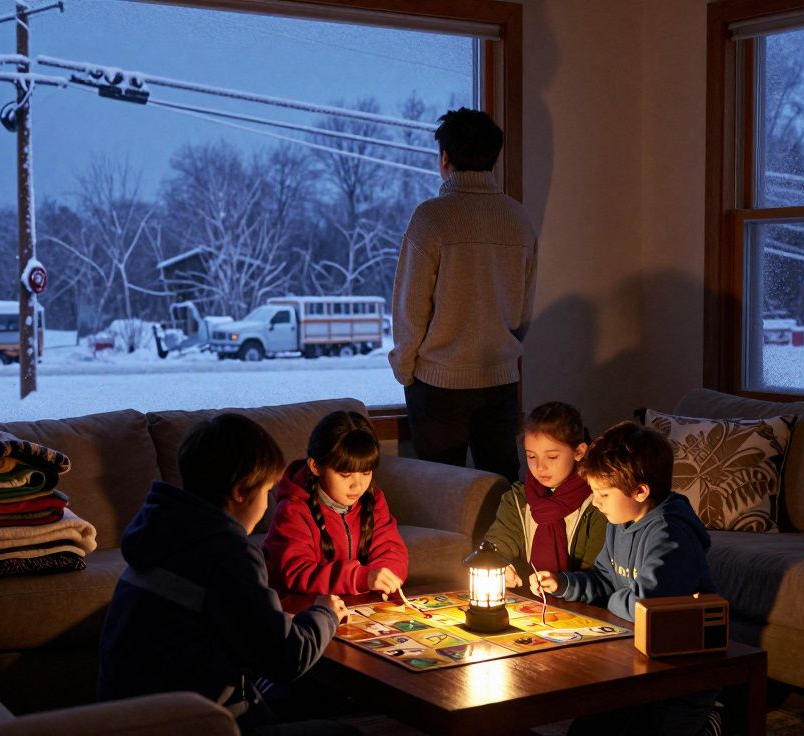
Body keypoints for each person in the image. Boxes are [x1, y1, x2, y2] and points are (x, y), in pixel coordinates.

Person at [97, 413, 355, 736]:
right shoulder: (225, 552)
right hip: (192, 723)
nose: (268, 503)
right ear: (240, 492)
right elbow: (287, 658)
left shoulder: (164, 531)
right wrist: (325, 613)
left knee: (301, 696)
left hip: (130, 719)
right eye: (267, 491)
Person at [532, 421, 719, 736]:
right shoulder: (619, 521)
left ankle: (711, 721)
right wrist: (565, 584)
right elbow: (606, 580)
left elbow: (646, 606)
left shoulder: (671, 535)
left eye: (603, 493)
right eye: (594, 493)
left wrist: (612, 599)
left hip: (680, 673)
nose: (597, 502)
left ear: (640, 490)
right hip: (636, 661)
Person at [388, 107, 538, 482]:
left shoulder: (432, 218)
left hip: (439, 383)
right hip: (500, 379)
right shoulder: (519, 219)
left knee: (440, 491)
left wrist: (405, 369)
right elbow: (523, 310)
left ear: (445, 159)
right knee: (501, 490)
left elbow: (410, 308)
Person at [263, 410, 408, 596]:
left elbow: (392, 551)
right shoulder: (294, 510)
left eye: (366, 473)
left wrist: (382, 574)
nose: (358, 485)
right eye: (345, 474)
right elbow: (298, 572)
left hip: (353, 608)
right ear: (316, 467)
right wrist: (361, 577)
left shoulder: (373, 501)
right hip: (299, 612)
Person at [482, 401, 606, 589]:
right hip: (527, 602)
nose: (540, 467)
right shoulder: (518, 499)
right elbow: (495, 546)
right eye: (531, 456)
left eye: (552, 457)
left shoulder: (599, 503)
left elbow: (599, 577)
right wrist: (502, 566)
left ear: (579, 451)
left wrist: (563, 585)